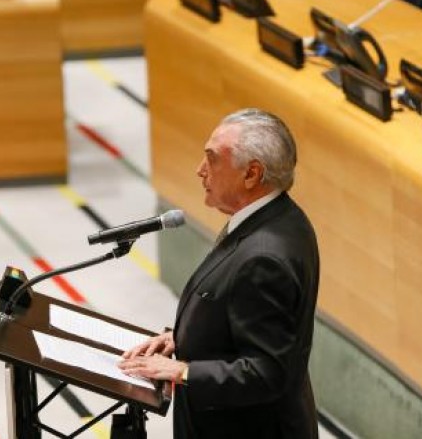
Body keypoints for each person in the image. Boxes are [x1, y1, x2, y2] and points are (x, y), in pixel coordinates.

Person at [119, 108, 320, 439]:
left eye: (212, 159)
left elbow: (267, 371)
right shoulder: (279, 217)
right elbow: (236, 310)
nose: (200, 171)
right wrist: (183, 338)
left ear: (251, 174)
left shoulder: (264, 258)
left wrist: (183, 371)